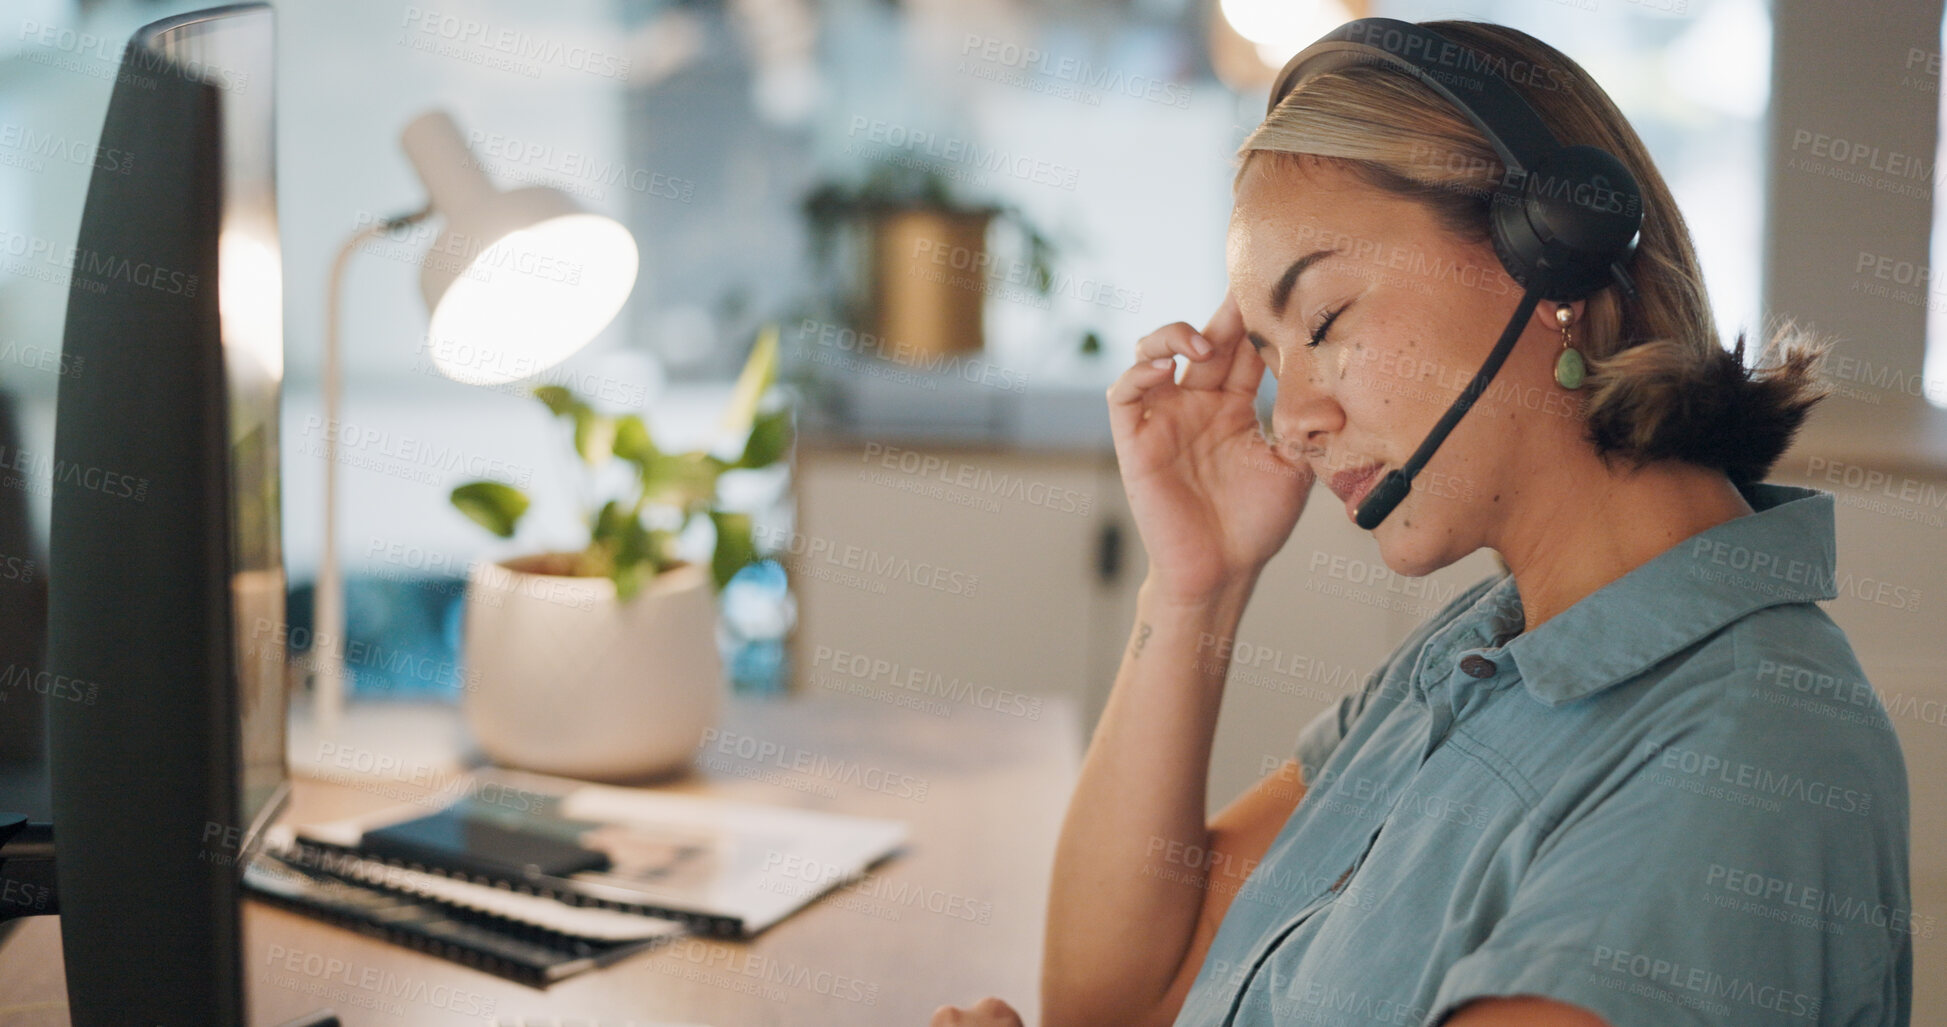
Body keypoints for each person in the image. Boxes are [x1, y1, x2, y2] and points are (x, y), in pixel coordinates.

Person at [931, 17, 1911, 1027]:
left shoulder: (1747, 752)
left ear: (1554, 256)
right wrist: (1196, 584)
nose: (1294, 417)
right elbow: (1116, 998)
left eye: (1322, 321)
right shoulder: (1480, 653)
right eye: (1271, 357)